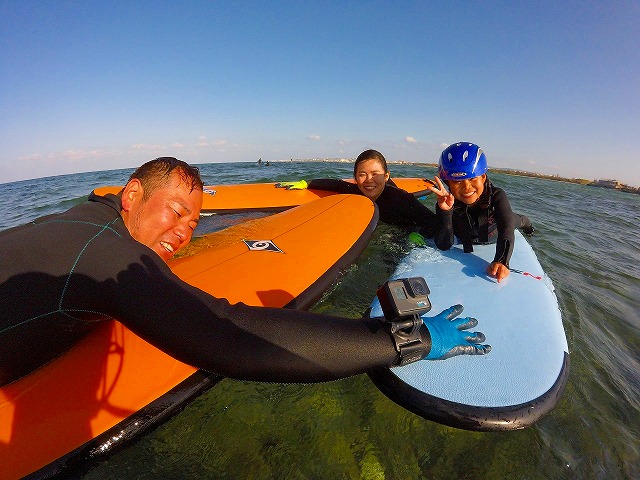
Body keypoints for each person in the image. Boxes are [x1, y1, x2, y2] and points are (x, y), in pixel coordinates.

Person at [0, 157, 491, 388]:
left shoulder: (68, 223)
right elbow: (229, 336)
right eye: (175, 212)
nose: (184, 234)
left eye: (195, 222)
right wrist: (404, 341)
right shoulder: (110, 256)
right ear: (130, 196)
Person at [276, 149, 450, 239]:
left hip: (408, 229)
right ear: (355, 178)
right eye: (362, 174)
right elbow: (336, 184)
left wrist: (419, 234)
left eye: (375, 174)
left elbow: (434, 223)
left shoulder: (401, 199)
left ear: (386, 175)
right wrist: (307, 183)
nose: (368, 180)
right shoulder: (355, 190)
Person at [429, 142, 535, 283]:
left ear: (483, 177)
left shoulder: (497, 195)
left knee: (519, 221)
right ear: (448, 183)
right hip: (471, 234)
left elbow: (506, 228)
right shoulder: (447, 202)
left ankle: (530, 228)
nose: (466, 187)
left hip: (497, 228)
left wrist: (501, 260)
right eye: (457, 181)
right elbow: (444, 245)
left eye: (472, 178)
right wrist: (445, 211)